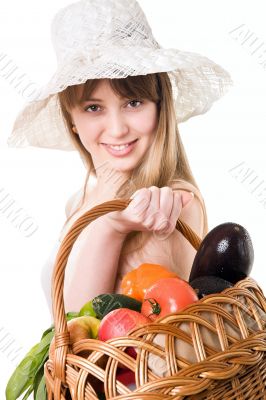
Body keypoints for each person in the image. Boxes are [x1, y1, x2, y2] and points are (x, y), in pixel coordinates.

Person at [7, 0, 233, 317]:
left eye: (134, 102)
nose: (116, 129)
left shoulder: (169, 207)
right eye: (93, 107)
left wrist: (112, 229)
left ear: (160, 107)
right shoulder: (80, 200)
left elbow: (84, 331)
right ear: (71, 118)